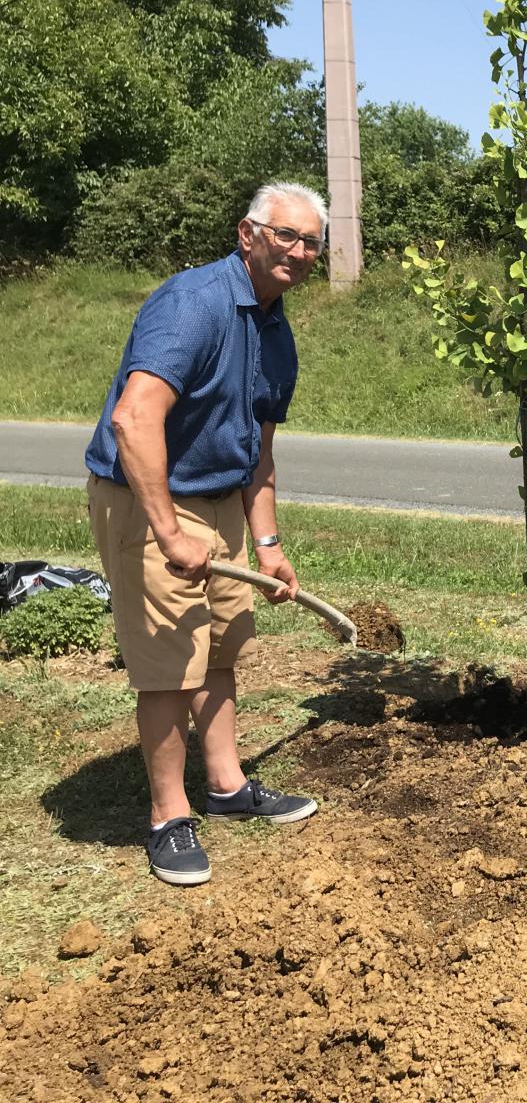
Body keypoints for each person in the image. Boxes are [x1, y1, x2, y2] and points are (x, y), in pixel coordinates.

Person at [84, 182, 327, 887]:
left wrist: (270, 544)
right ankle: (167, 815)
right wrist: (166, 530)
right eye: (287, 235)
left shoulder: (276, 331)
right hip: (148, 495)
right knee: (169, 660)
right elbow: (134, 419)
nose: (300, 251)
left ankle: (225, 785)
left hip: (219, 498)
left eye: (311, 241)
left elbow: (260, 452)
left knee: (222, 642)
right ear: (248, 233)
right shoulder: (193, 302)